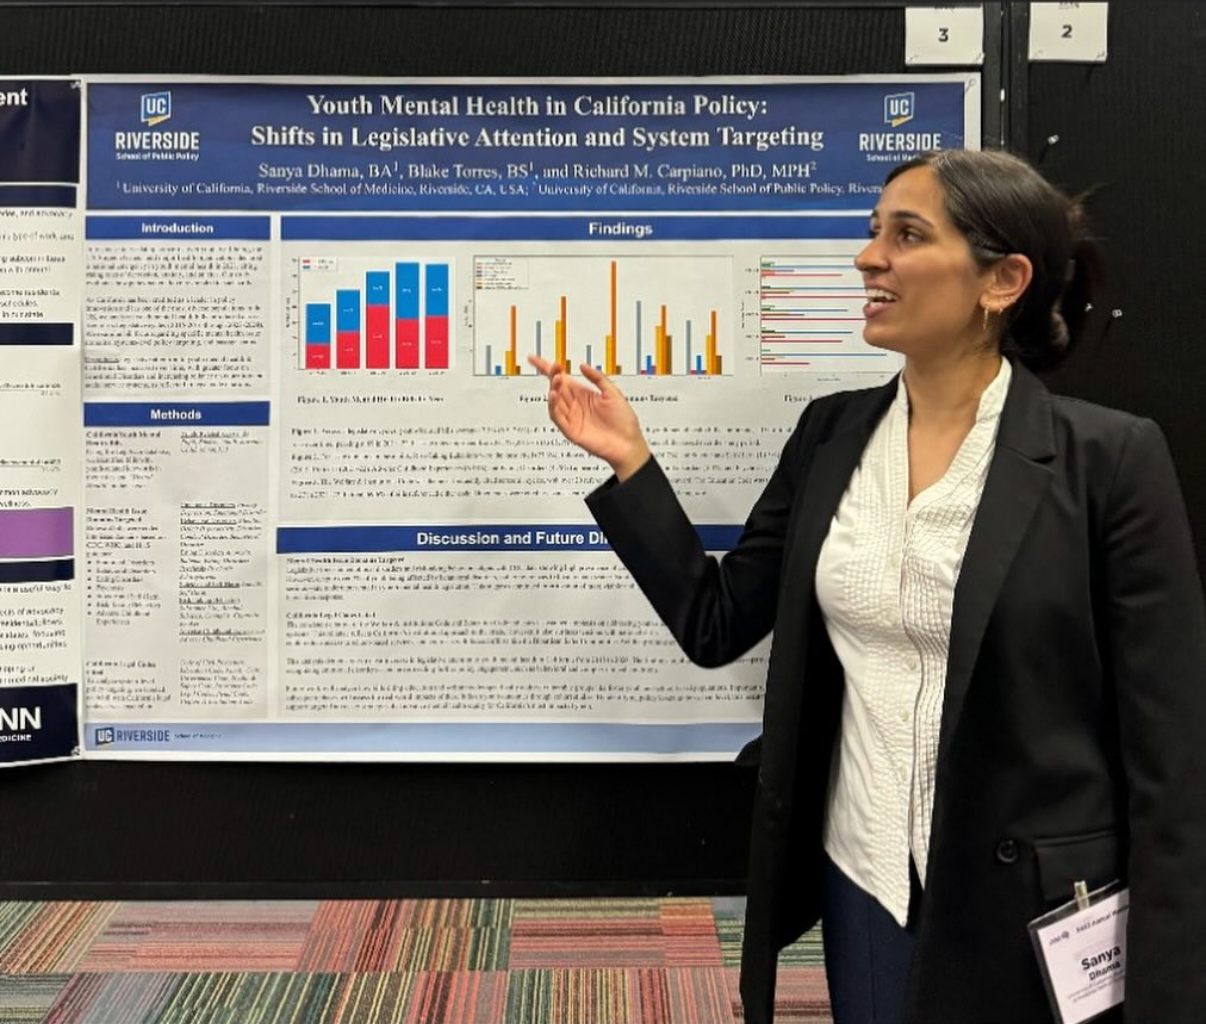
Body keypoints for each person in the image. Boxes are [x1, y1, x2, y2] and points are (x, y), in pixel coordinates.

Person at [529, 148, 1206, 1024]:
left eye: (907, 234)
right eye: (872, 232)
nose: (867, 257)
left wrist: (1173, 992)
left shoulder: (1109, 460)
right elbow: (716, 620)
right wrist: (631, 462)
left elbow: (1172, 758)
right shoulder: (830, 436)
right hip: (867, 883)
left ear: (1002, 279)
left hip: (1035, 908)